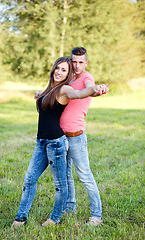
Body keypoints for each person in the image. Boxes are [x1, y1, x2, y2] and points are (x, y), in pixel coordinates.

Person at [12, 56, 108, 229]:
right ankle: (20, 217)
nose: (59, 72)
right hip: (41, 142)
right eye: (57, 68)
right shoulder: (50, 89)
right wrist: (40, 95)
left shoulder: (65, 89)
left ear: (68, 74)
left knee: (60, 183)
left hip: (56, 143)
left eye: (64, 70)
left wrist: (95, 89)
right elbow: (46, 102)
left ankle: (55, 218)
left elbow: (80, 93)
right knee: (29, 179)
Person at [60, 47, 105, 227]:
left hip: (76, 136)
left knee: (84, 175)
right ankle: (70, 207)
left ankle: (97, 215)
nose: (77, 65)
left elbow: (90, 88)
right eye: (74, 61)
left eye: (80, 62)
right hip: (61, 136)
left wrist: (96, 89)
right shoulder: (69, 78)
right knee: (65, 174)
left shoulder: (87, 78)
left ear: (86, 63)